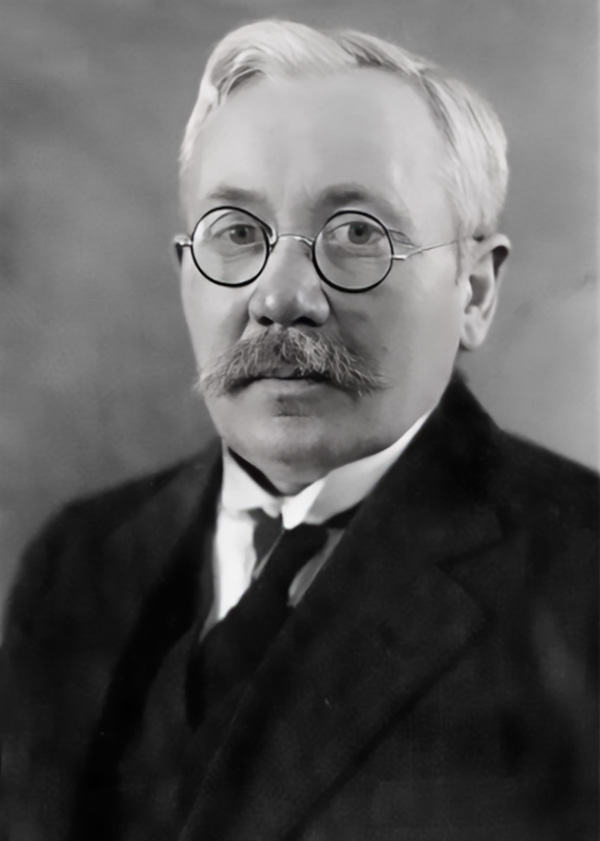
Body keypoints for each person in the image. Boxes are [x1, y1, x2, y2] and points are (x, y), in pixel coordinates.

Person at [1, 19, 597, 841]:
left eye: (357, 234)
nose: (280, 297)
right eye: (236, 234)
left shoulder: (583, 579)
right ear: (186, 274)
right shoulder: (78, 558)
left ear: (475, 292)